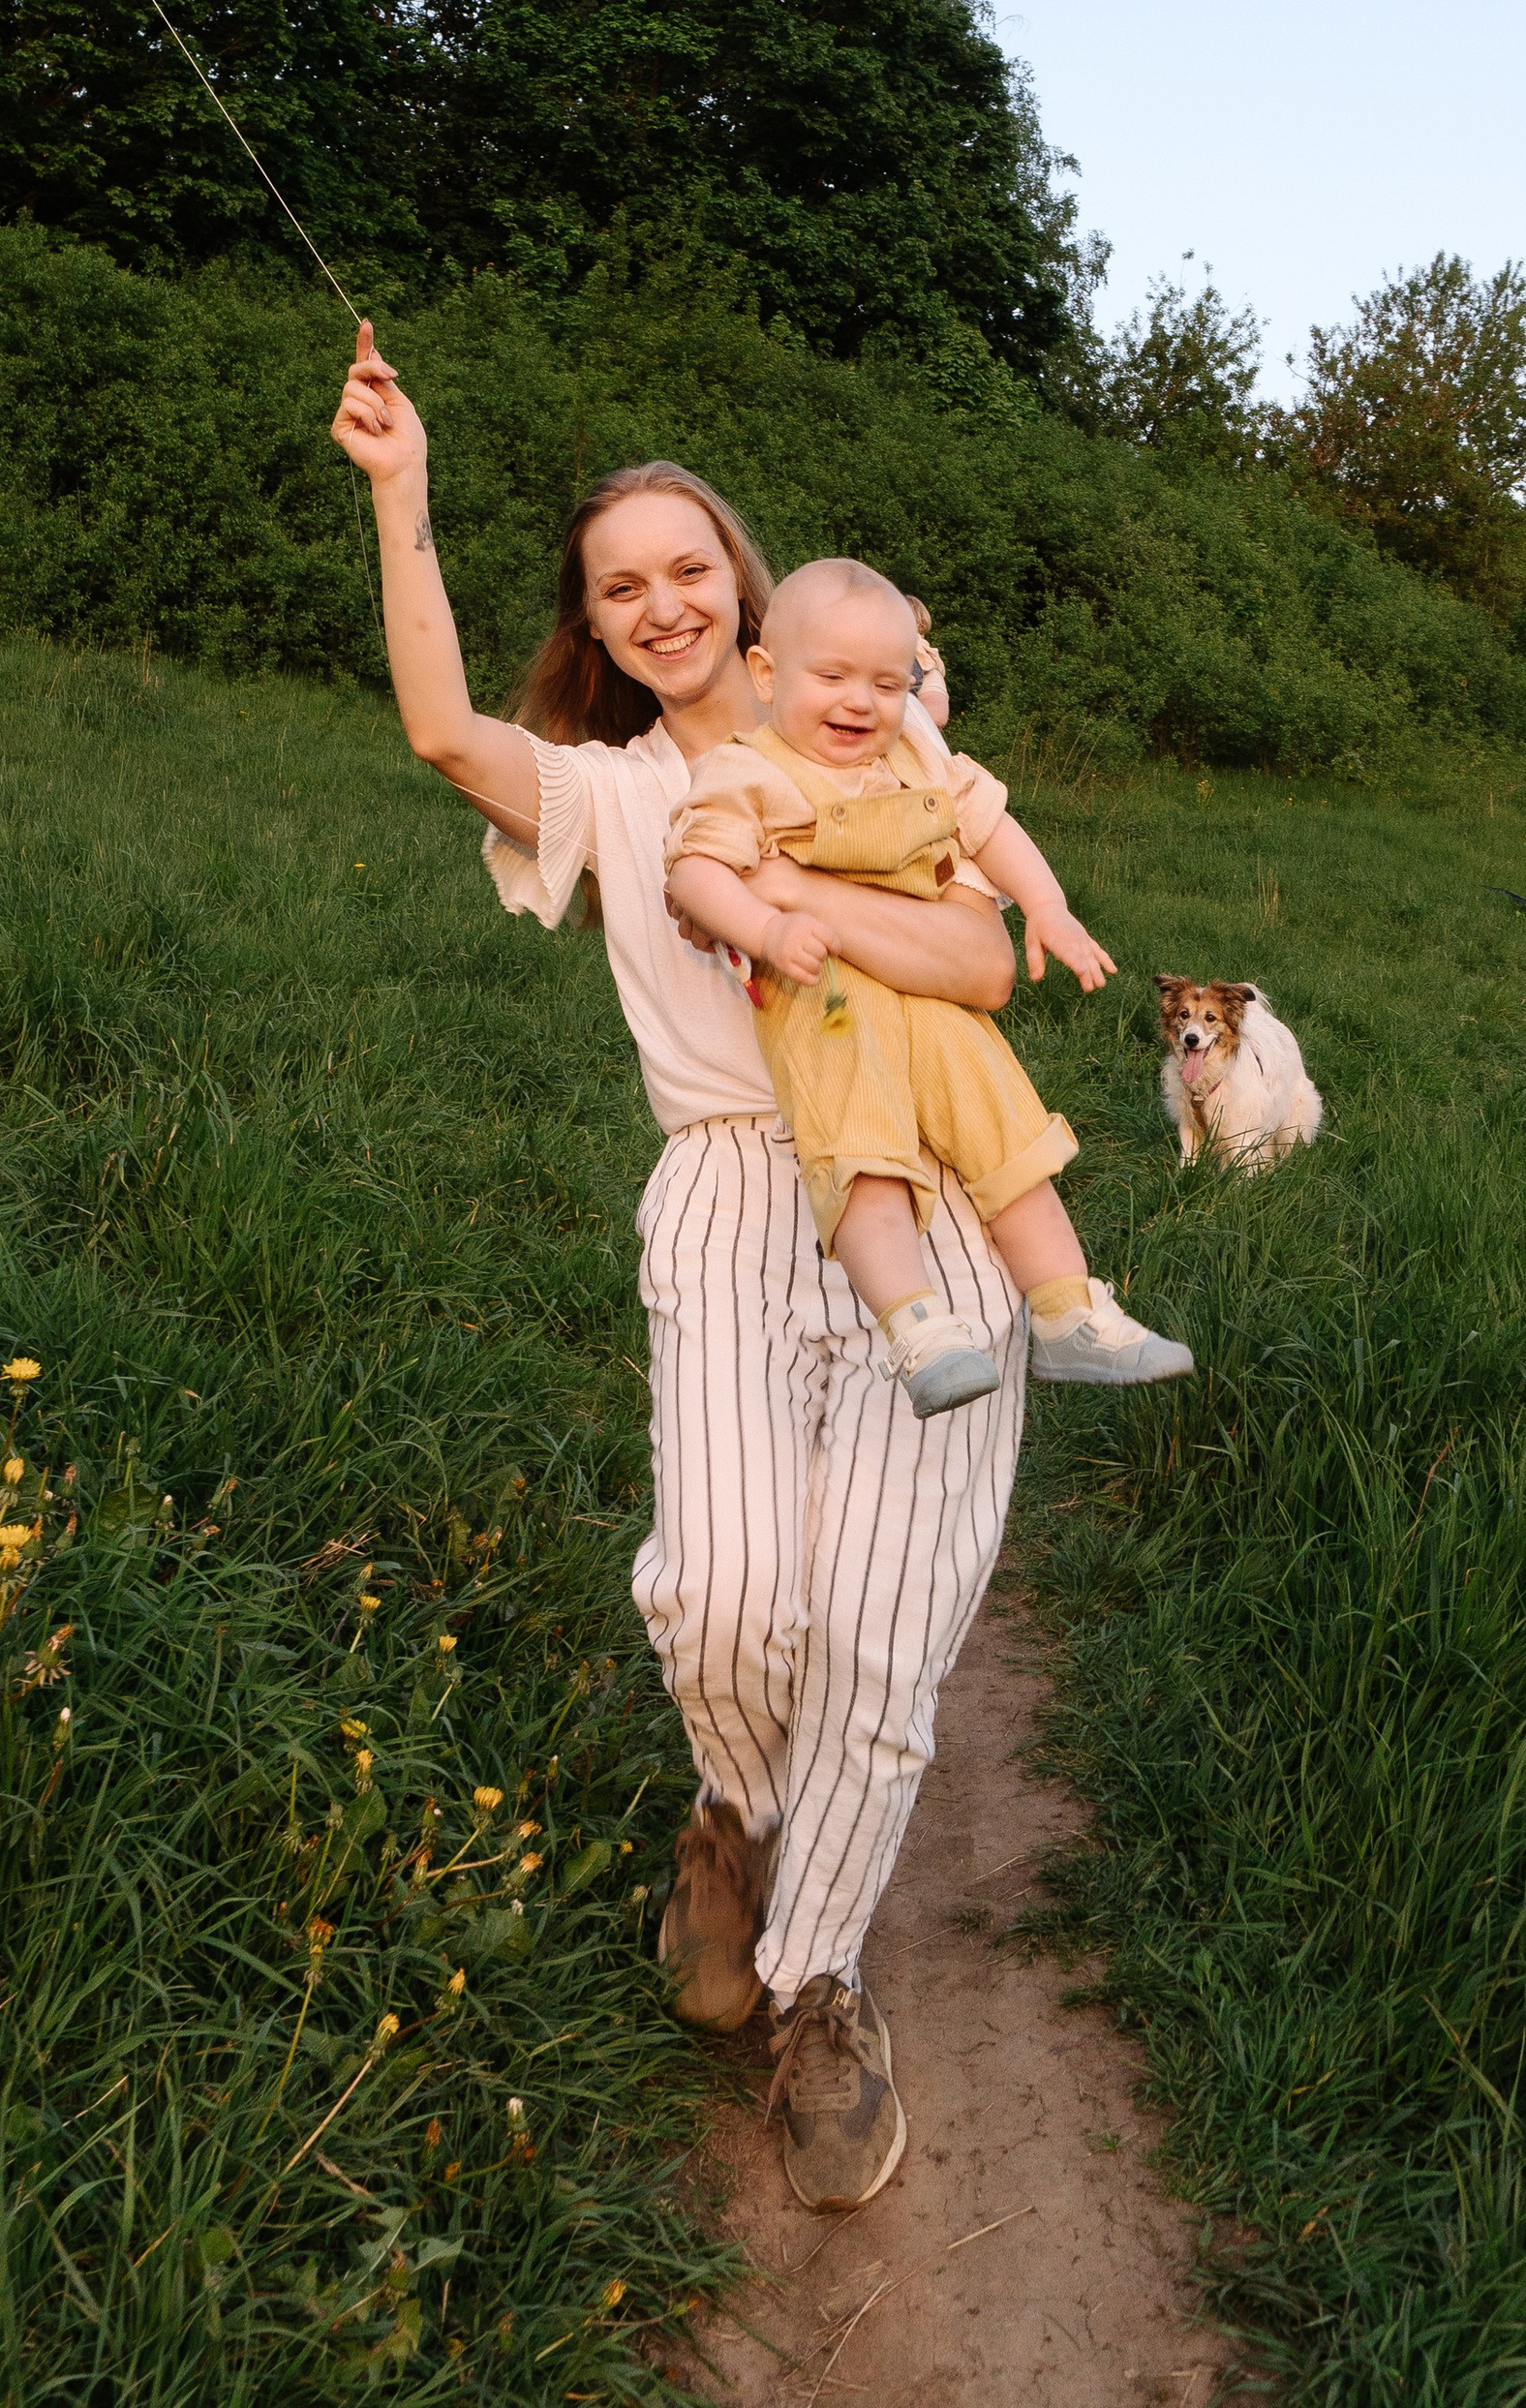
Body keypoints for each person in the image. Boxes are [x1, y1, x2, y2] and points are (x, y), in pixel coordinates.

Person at [329, 322, 1104, 2211]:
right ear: (593, 628)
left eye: (688, 569)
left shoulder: (875, 735)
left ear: (746, 598)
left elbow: (992, 965)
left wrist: (790, 906)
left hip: (912, 1178)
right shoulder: (604, 796)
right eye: (619, 587)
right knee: (723, 1596)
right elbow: (440, 729)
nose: (660, 603)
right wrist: (399, 491)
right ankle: (729, 1811)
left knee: (882, 1629)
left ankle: (816, 1980)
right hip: (726, 1193)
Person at [664, 555, 1194, 1413]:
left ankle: (1069, 1315)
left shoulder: (917, 754)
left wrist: (1047, 908)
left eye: (885, 683)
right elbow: (693, 874)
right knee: (861, 1136)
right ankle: (915, 1328)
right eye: (831, 676)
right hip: (826, 994)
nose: (858, 702)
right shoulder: (744, 771)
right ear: (766, 675)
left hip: (932, 995)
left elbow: (990, 826)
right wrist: (767, 929)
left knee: (1006, 1130)